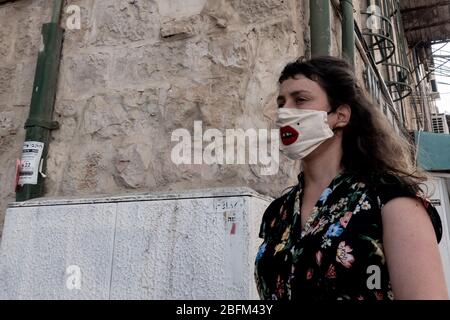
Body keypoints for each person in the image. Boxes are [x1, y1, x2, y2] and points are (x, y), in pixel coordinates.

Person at [254, 56, 448, 300]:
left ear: (340, 115)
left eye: (300, 100)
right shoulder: (277, 214)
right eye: (281, 103)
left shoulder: (390, 200)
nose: (284, 113)